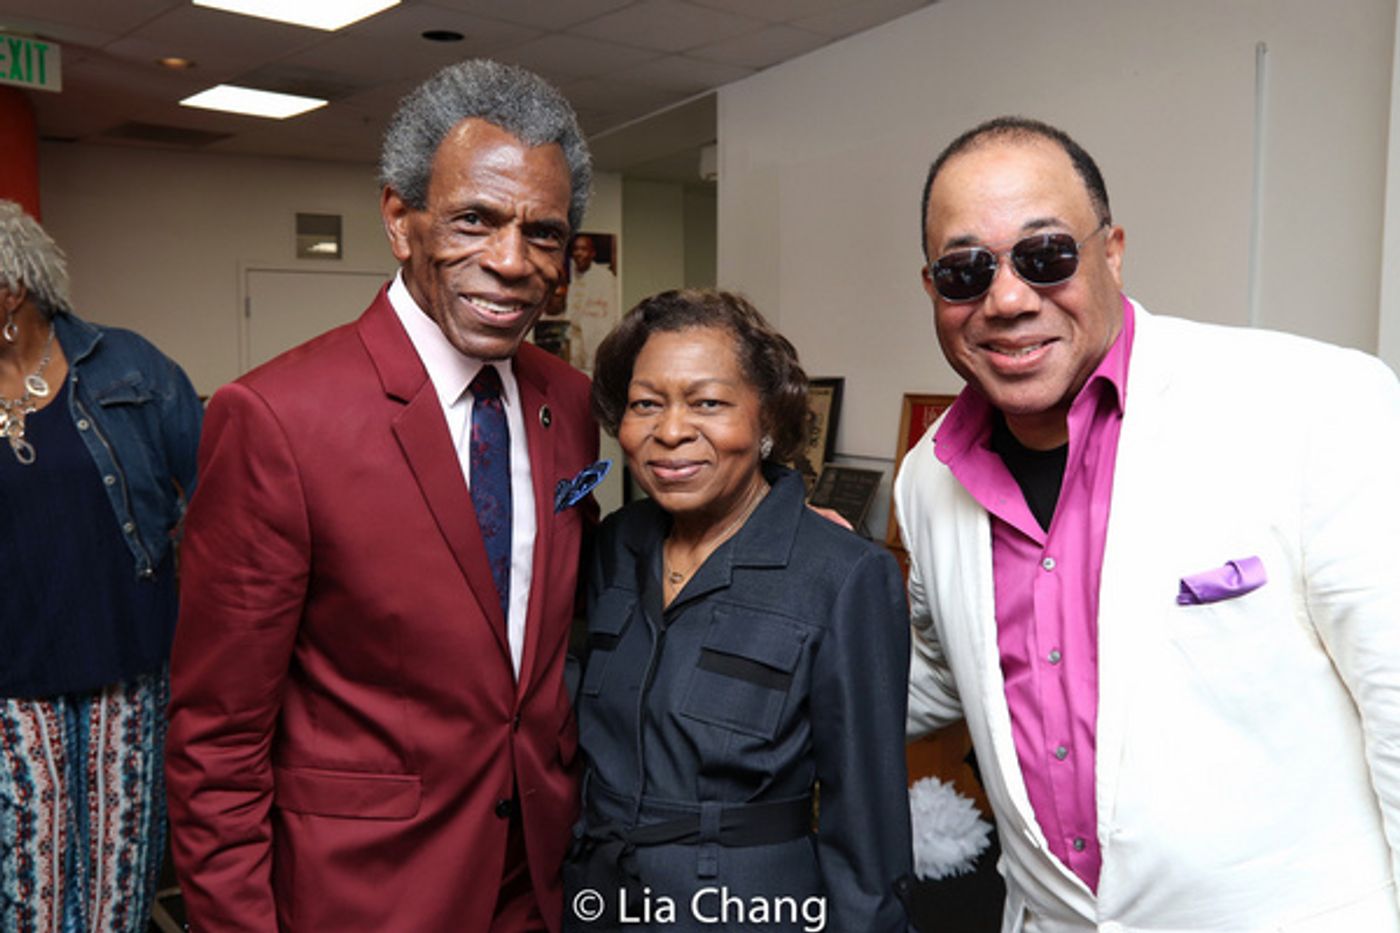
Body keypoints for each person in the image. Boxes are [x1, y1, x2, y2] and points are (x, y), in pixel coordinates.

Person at [898, 116, 1400, 931]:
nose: (1008, 299)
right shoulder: (928, 475)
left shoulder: (1313, 404)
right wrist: (805, 583)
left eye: (1046, 255)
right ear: (933, 291)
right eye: (965, 271)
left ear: (1113, 251)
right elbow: (944, 671)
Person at [165, 60, 599, 932]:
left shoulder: (570, 401)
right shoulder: (277, 419)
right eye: (474, 219)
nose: (511, 262)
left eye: (542, 234)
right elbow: (217, 739)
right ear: (400, 221)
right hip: (365, 893)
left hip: (539, 881)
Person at [569, 289, 913, 931]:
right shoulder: (615, 544)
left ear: (769, 424)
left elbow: (866, 825)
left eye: (708, 403)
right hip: (596, 897)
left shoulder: (841, 575)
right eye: (646, 404)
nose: (671, 431)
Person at [0, 199, 202, 932]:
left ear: (11, 290)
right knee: (31, 893)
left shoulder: (126, 365)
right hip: (13, 686)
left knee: (120, 891)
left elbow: (221, 486)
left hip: (128, 667)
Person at [564, 233, 619, 370]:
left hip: (596, 337)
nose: (579, 253)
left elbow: (611, 314)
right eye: (576, 249)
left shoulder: (605, 277)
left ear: (592, 253)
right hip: (572, 339)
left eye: (583, 249)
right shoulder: (567, 274)